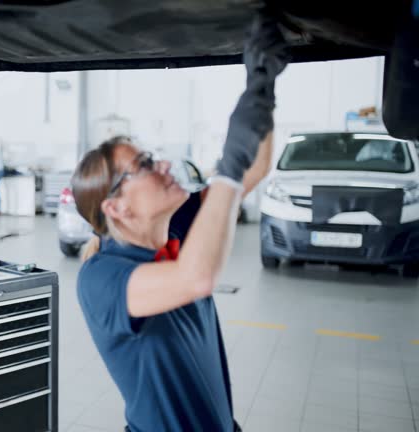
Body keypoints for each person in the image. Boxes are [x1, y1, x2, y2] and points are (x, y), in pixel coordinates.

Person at [70, 12, 287, 432]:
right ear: (116, 208)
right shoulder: (101, 277)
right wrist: (226, 167)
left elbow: (255, 169)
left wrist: (262, 84)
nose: (164, 164)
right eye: (145, 164)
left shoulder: (176, 229)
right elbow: (196, 278)